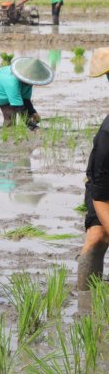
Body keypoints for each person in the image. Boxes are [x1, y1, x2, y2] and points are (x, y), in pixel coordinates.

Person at [76, 47, 109, 290]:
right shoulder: (107, 135)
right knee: (98, 235)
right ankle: (86, 294)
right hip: (104, 188)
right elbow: (99, 194)